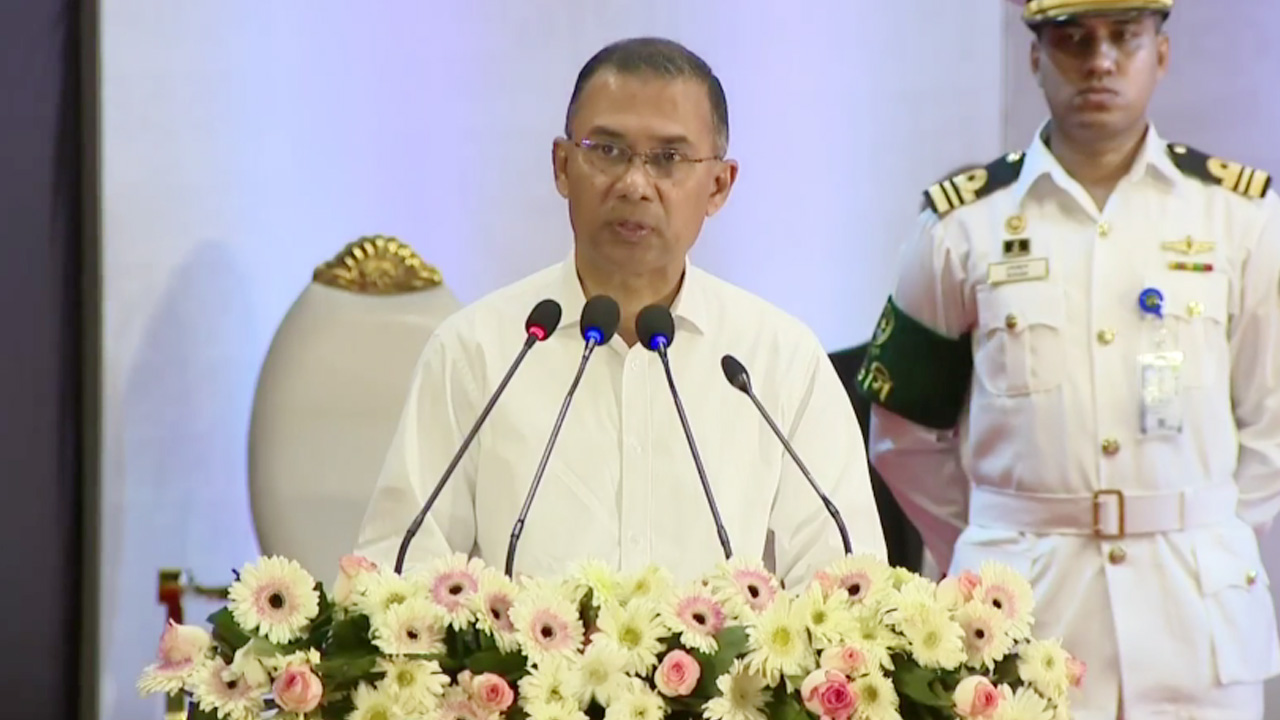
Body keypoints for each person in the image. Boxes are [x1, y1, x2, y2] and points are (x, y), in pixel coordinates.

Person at [857, 0, 1280, 717]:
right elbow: (904, 434)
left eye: (1124, 38)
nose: (1099, 61)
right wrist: (993, 549)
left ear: (1161, 55)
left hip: (1197, 620)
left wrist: (1211, 532)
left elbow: (1272, 421)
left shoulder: (1240, 217)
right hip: (1024, 614)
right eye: (1073, 40)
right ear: (1035, 58)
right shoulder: (961, 225)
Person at [355, 37, 887, 588]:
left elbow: (847, 584)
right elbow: (397, 573)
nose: (634, 184)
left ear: (719, 185)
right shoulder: (477, 352)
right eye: (607, 151)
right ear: (562, 166)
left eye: (669, 159)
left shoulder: (778, 363)